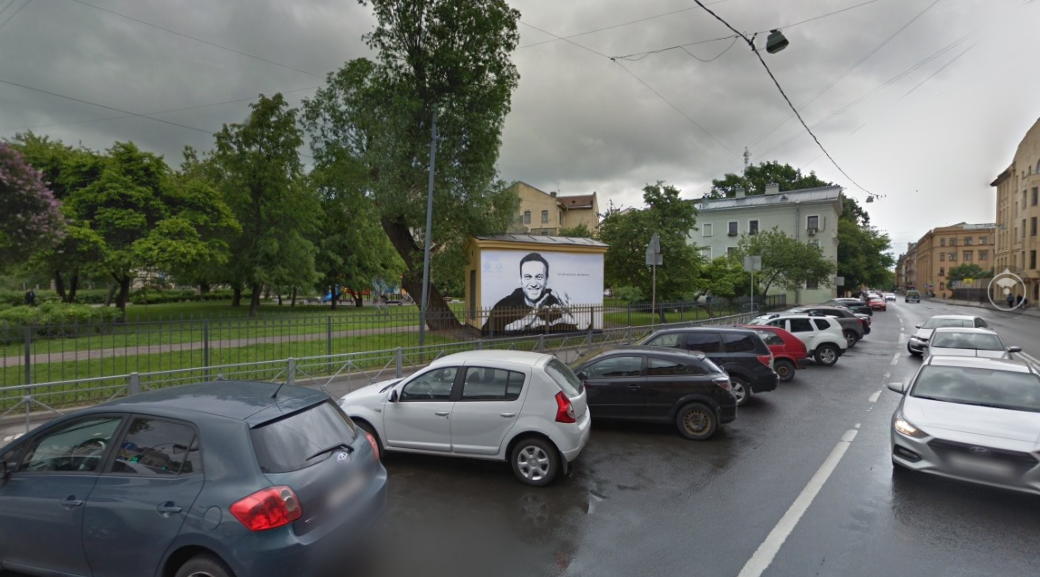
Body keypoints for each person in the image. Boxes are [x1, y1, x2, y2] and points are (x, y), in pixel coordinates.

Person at [481, 252, 589, 335]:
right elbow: (489, 333)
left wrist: (573, 312)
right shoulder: (505, 305)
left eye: (539, 277)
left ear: (546, 280)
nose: (533, 284)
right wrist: (534, 311)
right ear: (521, 280)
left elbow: (583, 331)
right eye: (528, 277)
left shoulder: (556, 304)